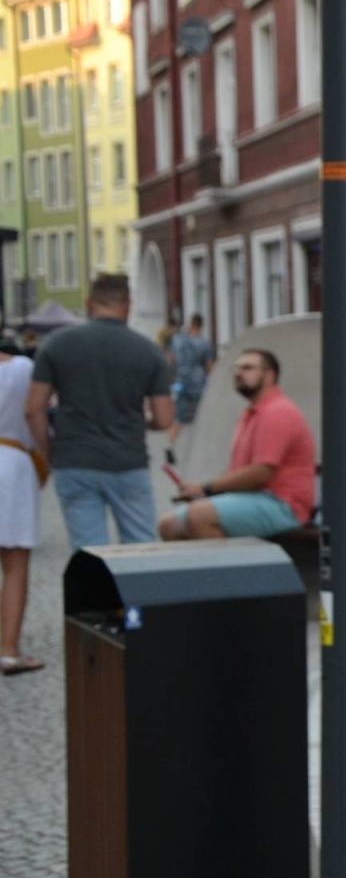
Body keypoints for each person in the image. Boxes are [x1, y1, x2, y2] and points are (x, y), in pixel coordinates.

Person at [26, 273, 173, 552]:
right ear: (128, 304)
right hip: (128, 461)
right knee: (140, 550)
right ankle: (138, 597)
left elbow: (34, 409)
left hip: (75, 459)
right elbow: (165, 418)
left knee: (89, 555)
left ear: (88, 303)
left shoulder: (56, 345)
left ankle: (94, 596)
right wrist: (143, 420)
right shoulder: (149, 351)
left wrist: (49, 453)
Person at [159, 348, 315, 541]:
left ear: (269, 375)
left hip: (282, 503)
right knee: (168, 525)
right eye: (237, 368)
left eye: (248, 368)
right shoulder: (252, 413)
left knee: (199, 516)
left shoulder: (277, 412)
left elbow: (261, 472)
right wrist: (202, 492)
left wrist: (206, 488)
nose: (238, 373)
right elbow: (239, 472)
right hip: (253, 498)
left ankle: (226, 570)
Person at [0, 345, 46, 675]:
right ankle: (9, 650)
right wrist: (46, 454)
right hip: (12, 462)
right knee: (15, 565)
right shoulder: (21, 368)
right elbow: (35, 412)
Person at [166, 313, 216, 456]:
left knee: (178, 416)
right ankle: (201, 448)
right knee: (201, 415)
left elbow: (170, 360)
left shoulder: (177, 341)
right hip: (198, 384)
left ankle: (170, 444)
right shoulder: (204, 344)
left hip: (180, 383)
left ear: (190, 324)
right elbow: (209, 366)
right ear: (201, 326)